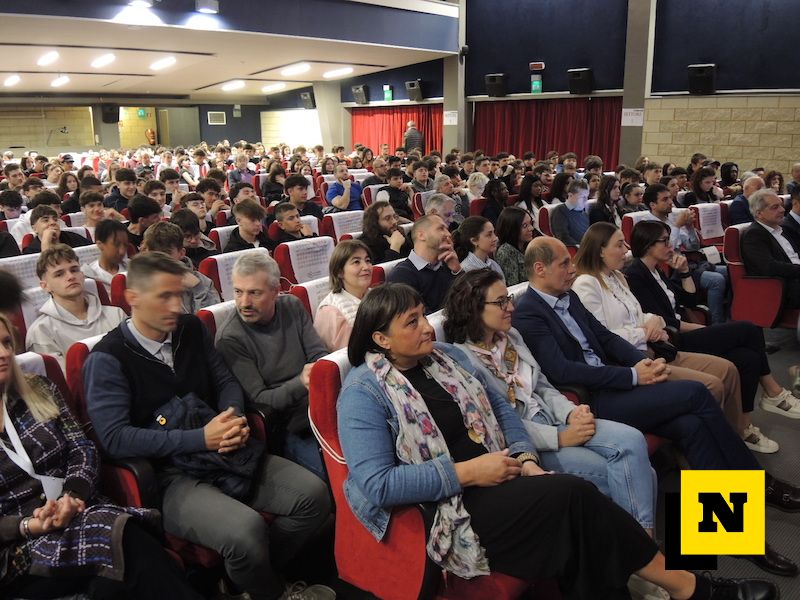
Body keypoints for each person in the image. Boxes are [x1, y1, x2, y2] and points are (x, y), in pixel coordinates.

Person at [338, 283, 778, 600]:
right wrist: (470, 471)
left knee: (692, 419)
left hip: (517, 458)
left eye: (423, 315)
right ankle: (684, 581)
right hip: (454, 501)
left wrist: (527, 459)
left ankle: (732, 532)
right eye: (412, 322)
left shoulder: (446, 358)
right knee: (583, 489)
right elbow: (376, 484)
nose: (426, 327)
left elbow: (505, 408)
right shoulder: (364, 392)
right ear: (381, 339)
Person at [513, 236, 800, 573]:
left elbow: (606, 338)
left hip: (617, 381)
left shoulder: (568, 295)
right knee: (697, 393)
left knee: (692, 425)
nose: (572, 268)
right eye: (564, 263)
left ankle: (730, 536)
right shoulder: (529, 313)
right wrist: (633, 376)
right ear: (540, 269)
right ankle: (758, 482)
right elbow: (563, 371)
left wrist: (640, 362)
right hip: (594, 400)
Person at [84, 252, 333, 600]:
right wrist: (201, 438)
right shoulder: (107, 359)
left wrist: (232, 417)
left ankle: (242, 579)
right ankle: (272, 591)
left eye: (179, 295)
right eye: (164, 297)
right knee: (247, 531)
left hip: (223, 449)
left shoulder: (189, 328)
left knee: (314, 497)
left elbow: (225, 380)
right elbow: (115, 438)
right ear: (132, 298)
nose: (176, 306)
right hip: (170, 475)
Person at [0, 313, 205, 600]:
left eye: (7, 342)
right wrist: (29, 525)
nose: (4, 353)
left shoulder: (39, 388)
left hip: (78, 510)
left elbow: (81, 448)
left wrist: (72, 496)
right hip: (19, 547)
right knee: (127, 544)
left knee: (120, 566)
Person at [443, 269, 658, 539]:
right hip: (530, 445)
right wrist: (559, 437)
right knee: (643, 473)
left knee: (636, 443)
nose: (511, 307)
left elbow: (543, 386)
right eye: (501, 302)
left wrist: (571, 413)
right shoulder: (462, 360)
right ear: (474, 309)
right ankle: (645, 551)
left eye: (508, 298)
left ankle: (643, 552)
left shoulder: (512, 338)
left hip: (556, 419)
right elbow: (498, 423)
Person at [625, 220, 800, 448]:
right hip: (673, 341)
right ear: (648, 245)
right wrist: (707, 330)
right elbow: (665, 322)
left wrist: (685, 272)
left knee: (747, 359)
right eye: (665, 241)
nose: (670, 246)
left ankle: (743, 425)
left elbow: (689, 300)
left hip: (683, 330)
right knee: (748, 328)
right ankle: (772, 391)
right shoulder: (636, 274)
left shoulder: (656, 271)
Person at [572, 223, 746, 439]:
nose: (626, 250)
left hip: (656, 348)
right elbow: (603, 336)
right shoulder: (587, 284)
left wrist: (654, 322)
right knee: (713, 386)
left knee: (728, 369)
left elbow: (640, 315)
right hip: (632, 361)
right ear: (600, 250)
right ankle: (720, 445)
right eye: (619, 245)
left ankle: (736, 435)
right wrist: (644, 332)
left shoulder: (616, 277)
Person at [216, 252, 329, 481]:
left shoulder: (292, 306)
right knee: (343, 474)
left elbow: (318, 353)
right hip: (287, 426)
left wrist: (315, 374)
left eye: (254, 293)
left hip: (322, 405)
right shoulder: (230, 338)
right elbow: (260, 400)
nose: (244, 303)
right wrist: (301, 382)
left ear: (276, 291)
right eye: (238, 292)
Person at [641, 183, 729, 325]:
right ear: (653, 205)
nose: (670, 202)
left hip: (688, 262)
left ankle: (728, 316)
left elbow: (692, 246)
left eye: (670, 198)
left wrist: (689, 228)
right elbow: (667, 248)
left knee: (729, 271)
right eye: (665, 199)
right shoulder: (648, 225)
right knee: (716, 280)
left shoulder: (671, 219)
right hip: (672, 269)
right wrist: (677, 226)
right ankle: (716, 323)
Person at [26, 245, 126, 368]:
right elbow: (62, 378)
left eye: (74, 270)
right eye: (59, 274)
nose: (70, 277)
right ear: (45, 286)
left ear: (82, 275)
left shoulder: (117, 314)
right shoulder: (41, 331)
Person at [386, 215, 462, 314]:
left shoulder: (449, 264)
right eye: (441, 228)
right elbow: (422, 317)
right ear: (421, 235)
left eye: (447, 229)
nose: (448, 234)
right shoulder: (401, 276)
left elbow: (471, 301)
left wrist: (458, 271)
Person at [141, 221, 221, 313]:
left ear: (181, 253)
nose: (159, 262)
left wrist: (198, 289)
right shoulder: (140, 282)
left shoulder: (201, 283)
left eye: (166, 255)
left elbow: (209, 319)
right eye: (155, 255)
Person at [314, 240, 373, 351]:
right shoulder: (331, 312)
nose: (366, 267)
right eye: (356, 262)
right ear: (339, 272)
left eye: (368, 260)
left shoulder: (376, 295)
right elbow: (349, 355)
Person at [81, 219, 129, 294]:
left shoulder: (133, 268)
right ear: (100, 244)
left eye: (125, 245)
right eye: (116, 245)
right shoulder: (88, 276)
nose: (122, 251)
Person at [24, 205, 92, 254]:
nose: (53, 222)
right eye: (46, 220)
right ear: (34, 228)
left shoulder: (73, 238)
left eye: (55, 219)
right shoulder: (31, 252)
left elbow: (93, 251)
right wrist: (46, 243)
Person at [495, 206, 535, 286]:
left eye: (530, 223)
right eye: (525, 226)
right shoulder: (506, 251)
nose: (531, 228)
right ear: (512, 228)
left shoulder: (528, 245)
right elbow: (513, 287)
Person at [550, 179, 590, 246]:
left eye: (587, 196)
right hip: (574, 249)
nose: (586, 200)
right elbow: (563, 237)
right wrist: (580, 247)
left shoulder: (584, 214)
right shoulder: (560, 211)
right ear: (570, 195)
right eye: (582, 197)